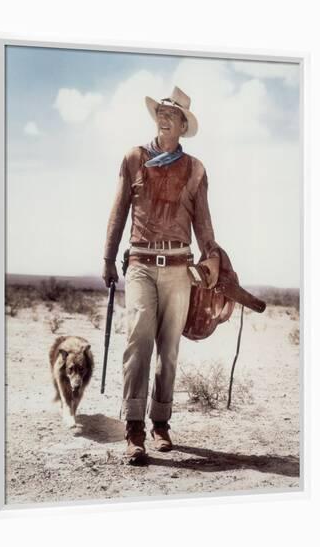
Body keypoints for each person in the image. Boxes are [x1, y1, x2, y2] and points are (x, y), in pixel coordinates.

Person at [102, 86, 220, 463]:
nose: (165, 116)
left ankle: (161, 423)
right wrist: (107, 257)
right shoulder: (133, 158)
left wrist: (212, 257)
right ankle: (134, 427)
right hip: (139, 263)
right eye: (162, 111)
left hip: (179, 268)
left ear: (184, 126)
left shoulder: (195, 168)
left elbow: (203, 221)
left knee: (168, 350)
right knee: (138, 344)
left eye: (174, 114)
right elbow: (119, 209)